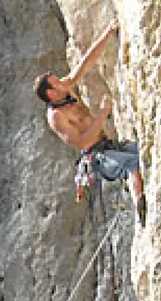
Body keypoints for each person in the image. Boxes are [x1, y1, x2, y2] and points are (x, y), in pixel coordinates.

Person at [32, 18, 147, 226]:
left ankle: (141, 196)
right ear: (50, 92)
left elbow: (85, 64)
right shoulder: (57, 117)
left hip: (108, 144)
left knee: (144, 152)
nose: (62, 81)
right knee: (132, 164)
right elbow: (83, 142)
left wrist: (107, 32)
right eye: (56, 82)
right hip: (97, 157)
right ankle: (142, 211)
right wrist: (103, 114)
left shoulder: (64, 89)